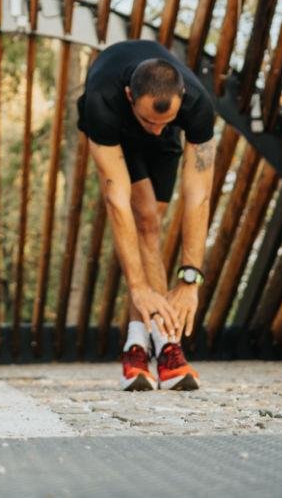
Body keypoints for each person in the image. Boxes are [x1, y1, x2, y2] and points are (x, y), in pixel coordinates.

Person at [76, 38, 218, 391]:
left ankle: (136, 344)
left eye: (164, 118)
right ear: (129, 95)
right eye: (149, 119)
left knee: (151, 228)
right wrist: (138, 287)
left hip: (164, 141)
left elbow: (199, 194)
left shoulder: (196, 106)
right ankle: (167, 346)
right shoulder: (103, 102)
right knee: (146, 221)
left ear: (181, 99)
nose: (154, 128)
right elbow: (116, 200)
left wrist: (190, 279)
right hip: (119, 134)